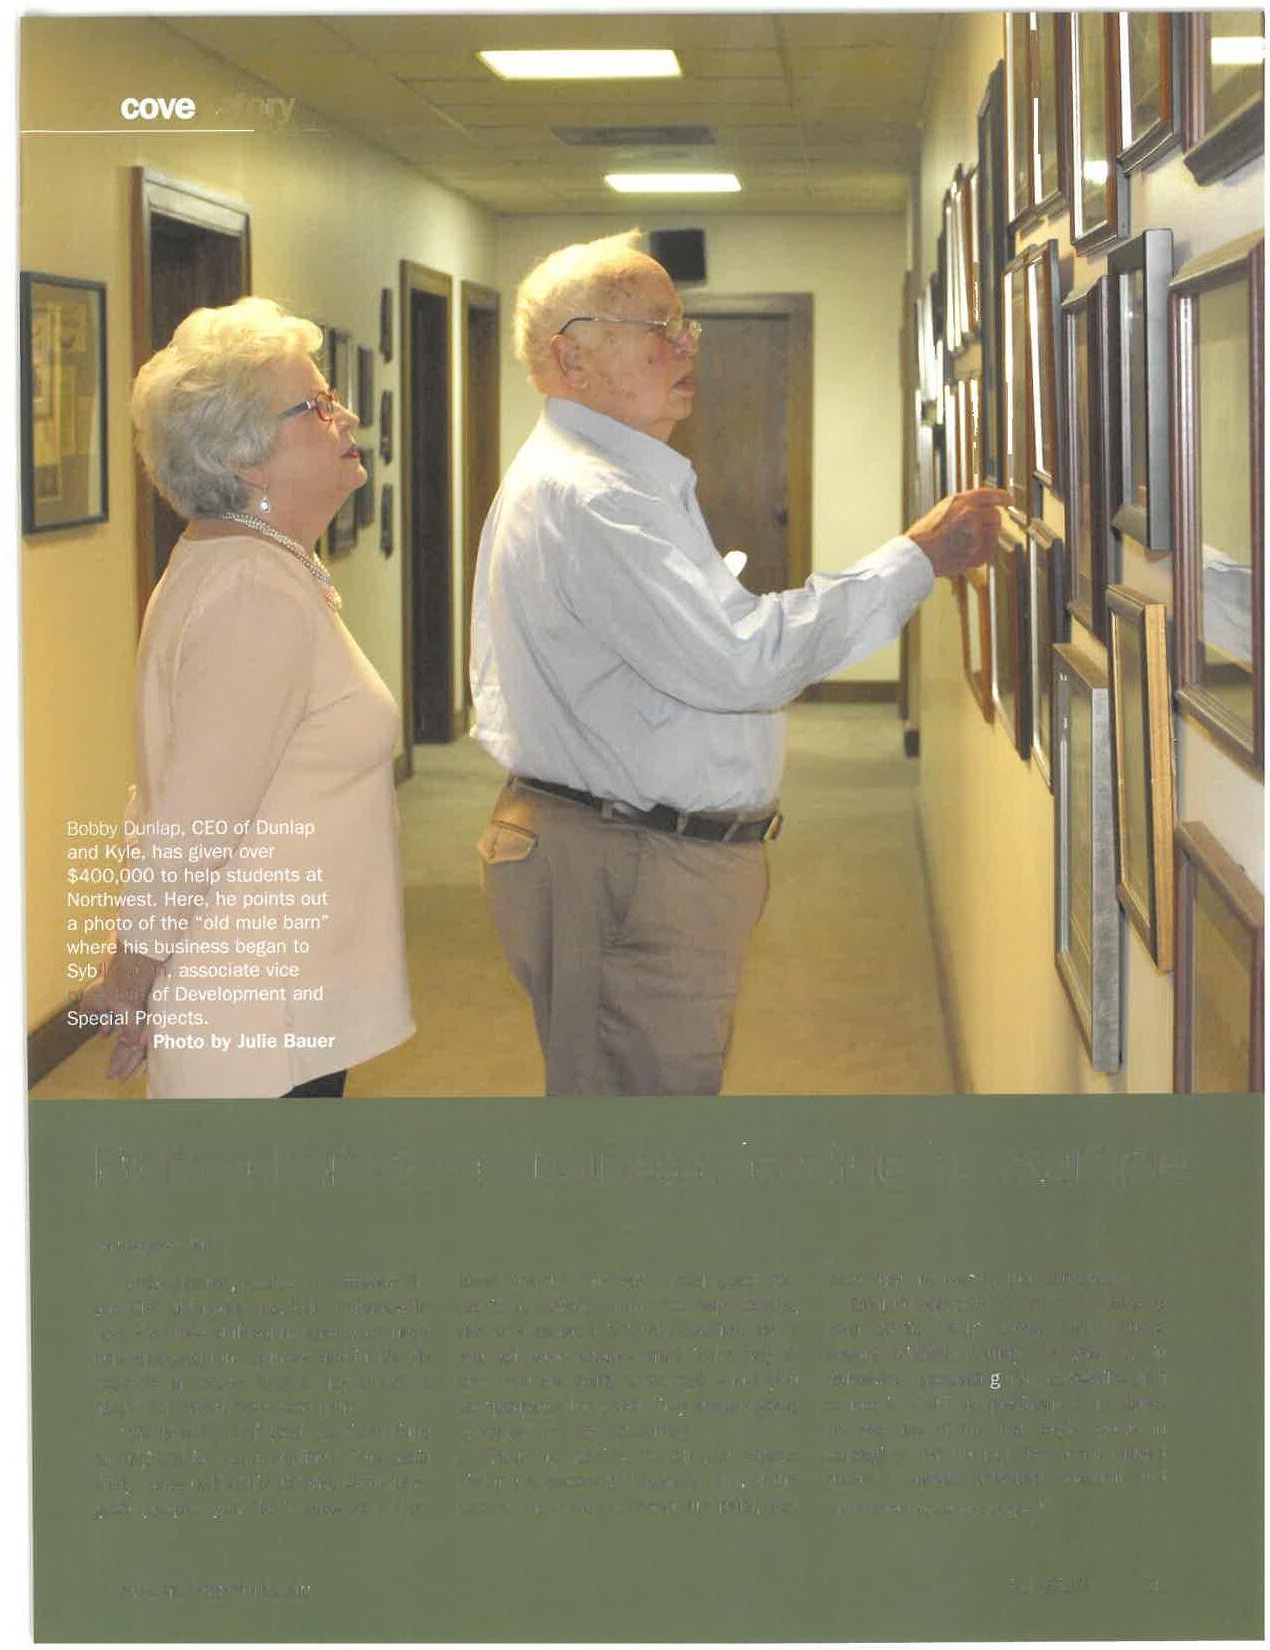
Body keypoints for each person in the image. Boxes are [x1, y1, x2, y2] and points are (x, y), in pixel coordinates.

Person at [470, 229, 1004, 1099]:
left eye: (684, 326)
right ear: (571, 356)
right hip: (623, 863)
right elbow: (743, 661)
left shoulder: (613, 479)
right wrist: (914, 559)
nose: (686, 347)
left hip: (632, 852)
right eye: (658, 328)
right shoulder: (593, 497)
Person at [80, 297, 414, 1098]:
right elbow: (190, 822)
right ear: (244, 458)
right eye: (317, 405)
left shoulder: (239, 564)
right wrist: (130, 979)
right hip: (256, 1019)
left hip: (273, 998)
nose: (346, 416)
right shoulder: (251, 591)